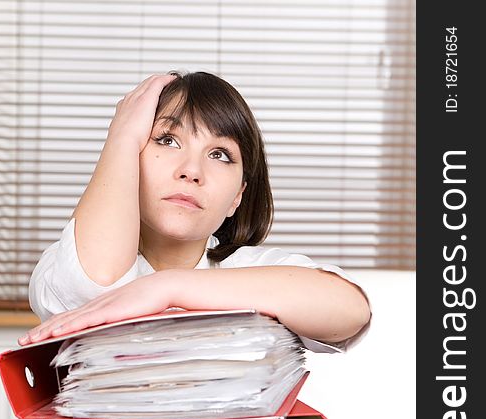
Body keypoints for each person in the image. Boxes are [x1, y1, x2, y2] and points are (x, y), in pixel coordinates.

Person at [18, 71, 371, 351]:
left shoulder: (247, 271)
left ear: (237, 197)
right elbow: (95, 286)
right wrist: (122, 135)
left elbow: (350, 311)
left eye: (219, 154)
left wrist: (170, 287)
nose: (192, 171)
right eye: (167, 140)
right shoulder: (65, 260)